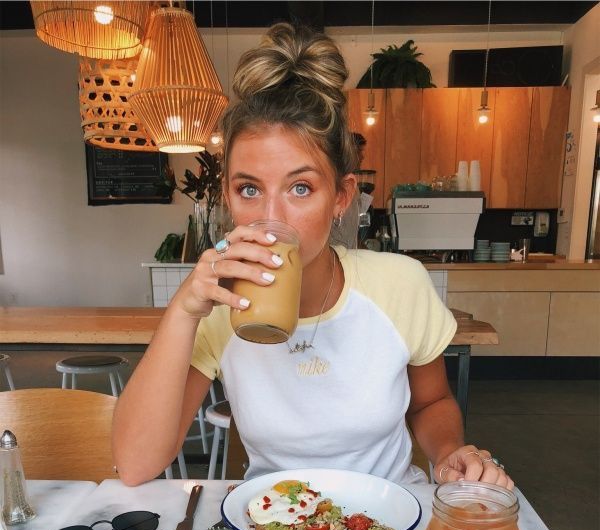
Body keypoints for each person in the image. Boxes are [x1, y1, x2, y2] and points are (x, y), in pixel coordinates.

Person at [113, 23, 513, 491]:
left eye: (300, 188)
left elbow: (431, 402)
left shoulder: (399, 284)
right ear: (226, 195)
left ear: (342, 197)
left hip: (391, 517)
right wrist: (184, 310)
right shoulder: (220, 311)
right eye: (248, 189)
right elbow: (136, 464)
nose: (270, 217)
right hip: (275, 523)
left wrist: (448, 454)